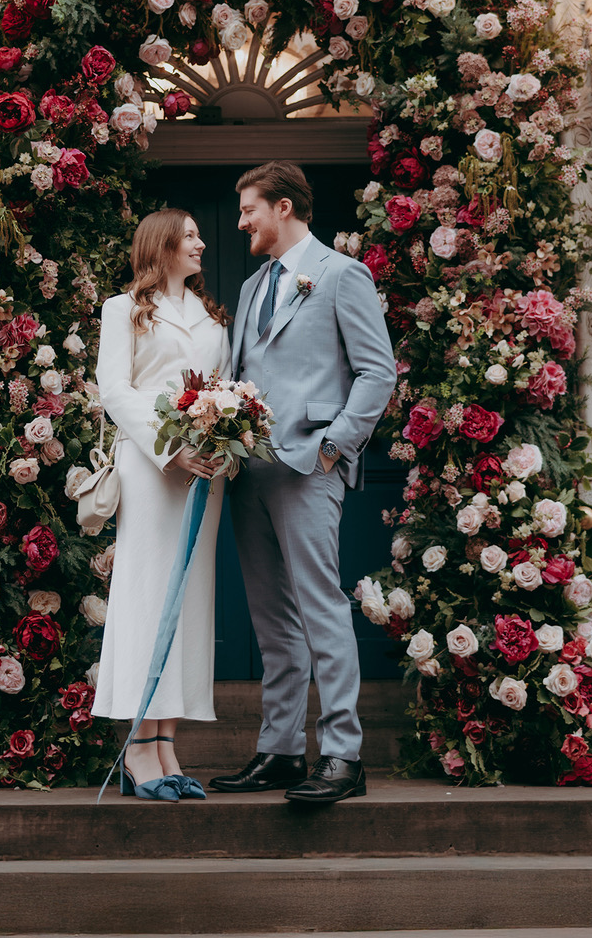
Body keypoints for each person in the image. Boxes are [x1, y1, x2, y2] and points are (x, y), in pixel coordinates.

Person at [210, 161, 397, 804]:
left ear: (283, 207)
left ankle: (344, 756)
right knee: (272, 621)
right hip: (248, 473)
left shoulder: (344, 275)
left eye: (249, 210)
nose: (241, 223)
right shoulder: (254, 283)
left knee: (321, 610)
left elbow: (378, 374)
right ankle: (282, 751)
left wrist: (331, 449)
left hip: (307, 471)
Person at [94, 208, 230, 801]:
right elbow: (114, 389)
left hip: (206, 468)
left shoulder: (210, 314)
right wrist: (167, 450)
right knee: (149, 596)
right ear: (162, 243)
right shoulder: (122, 310)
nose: (201, 242)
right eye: (191, 233)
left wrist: (227, 439)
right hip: (152, 466)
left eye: (201, 233)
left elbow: (223, 385)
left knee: (190, 598)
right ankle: (138, 746)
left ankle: (167, 741)